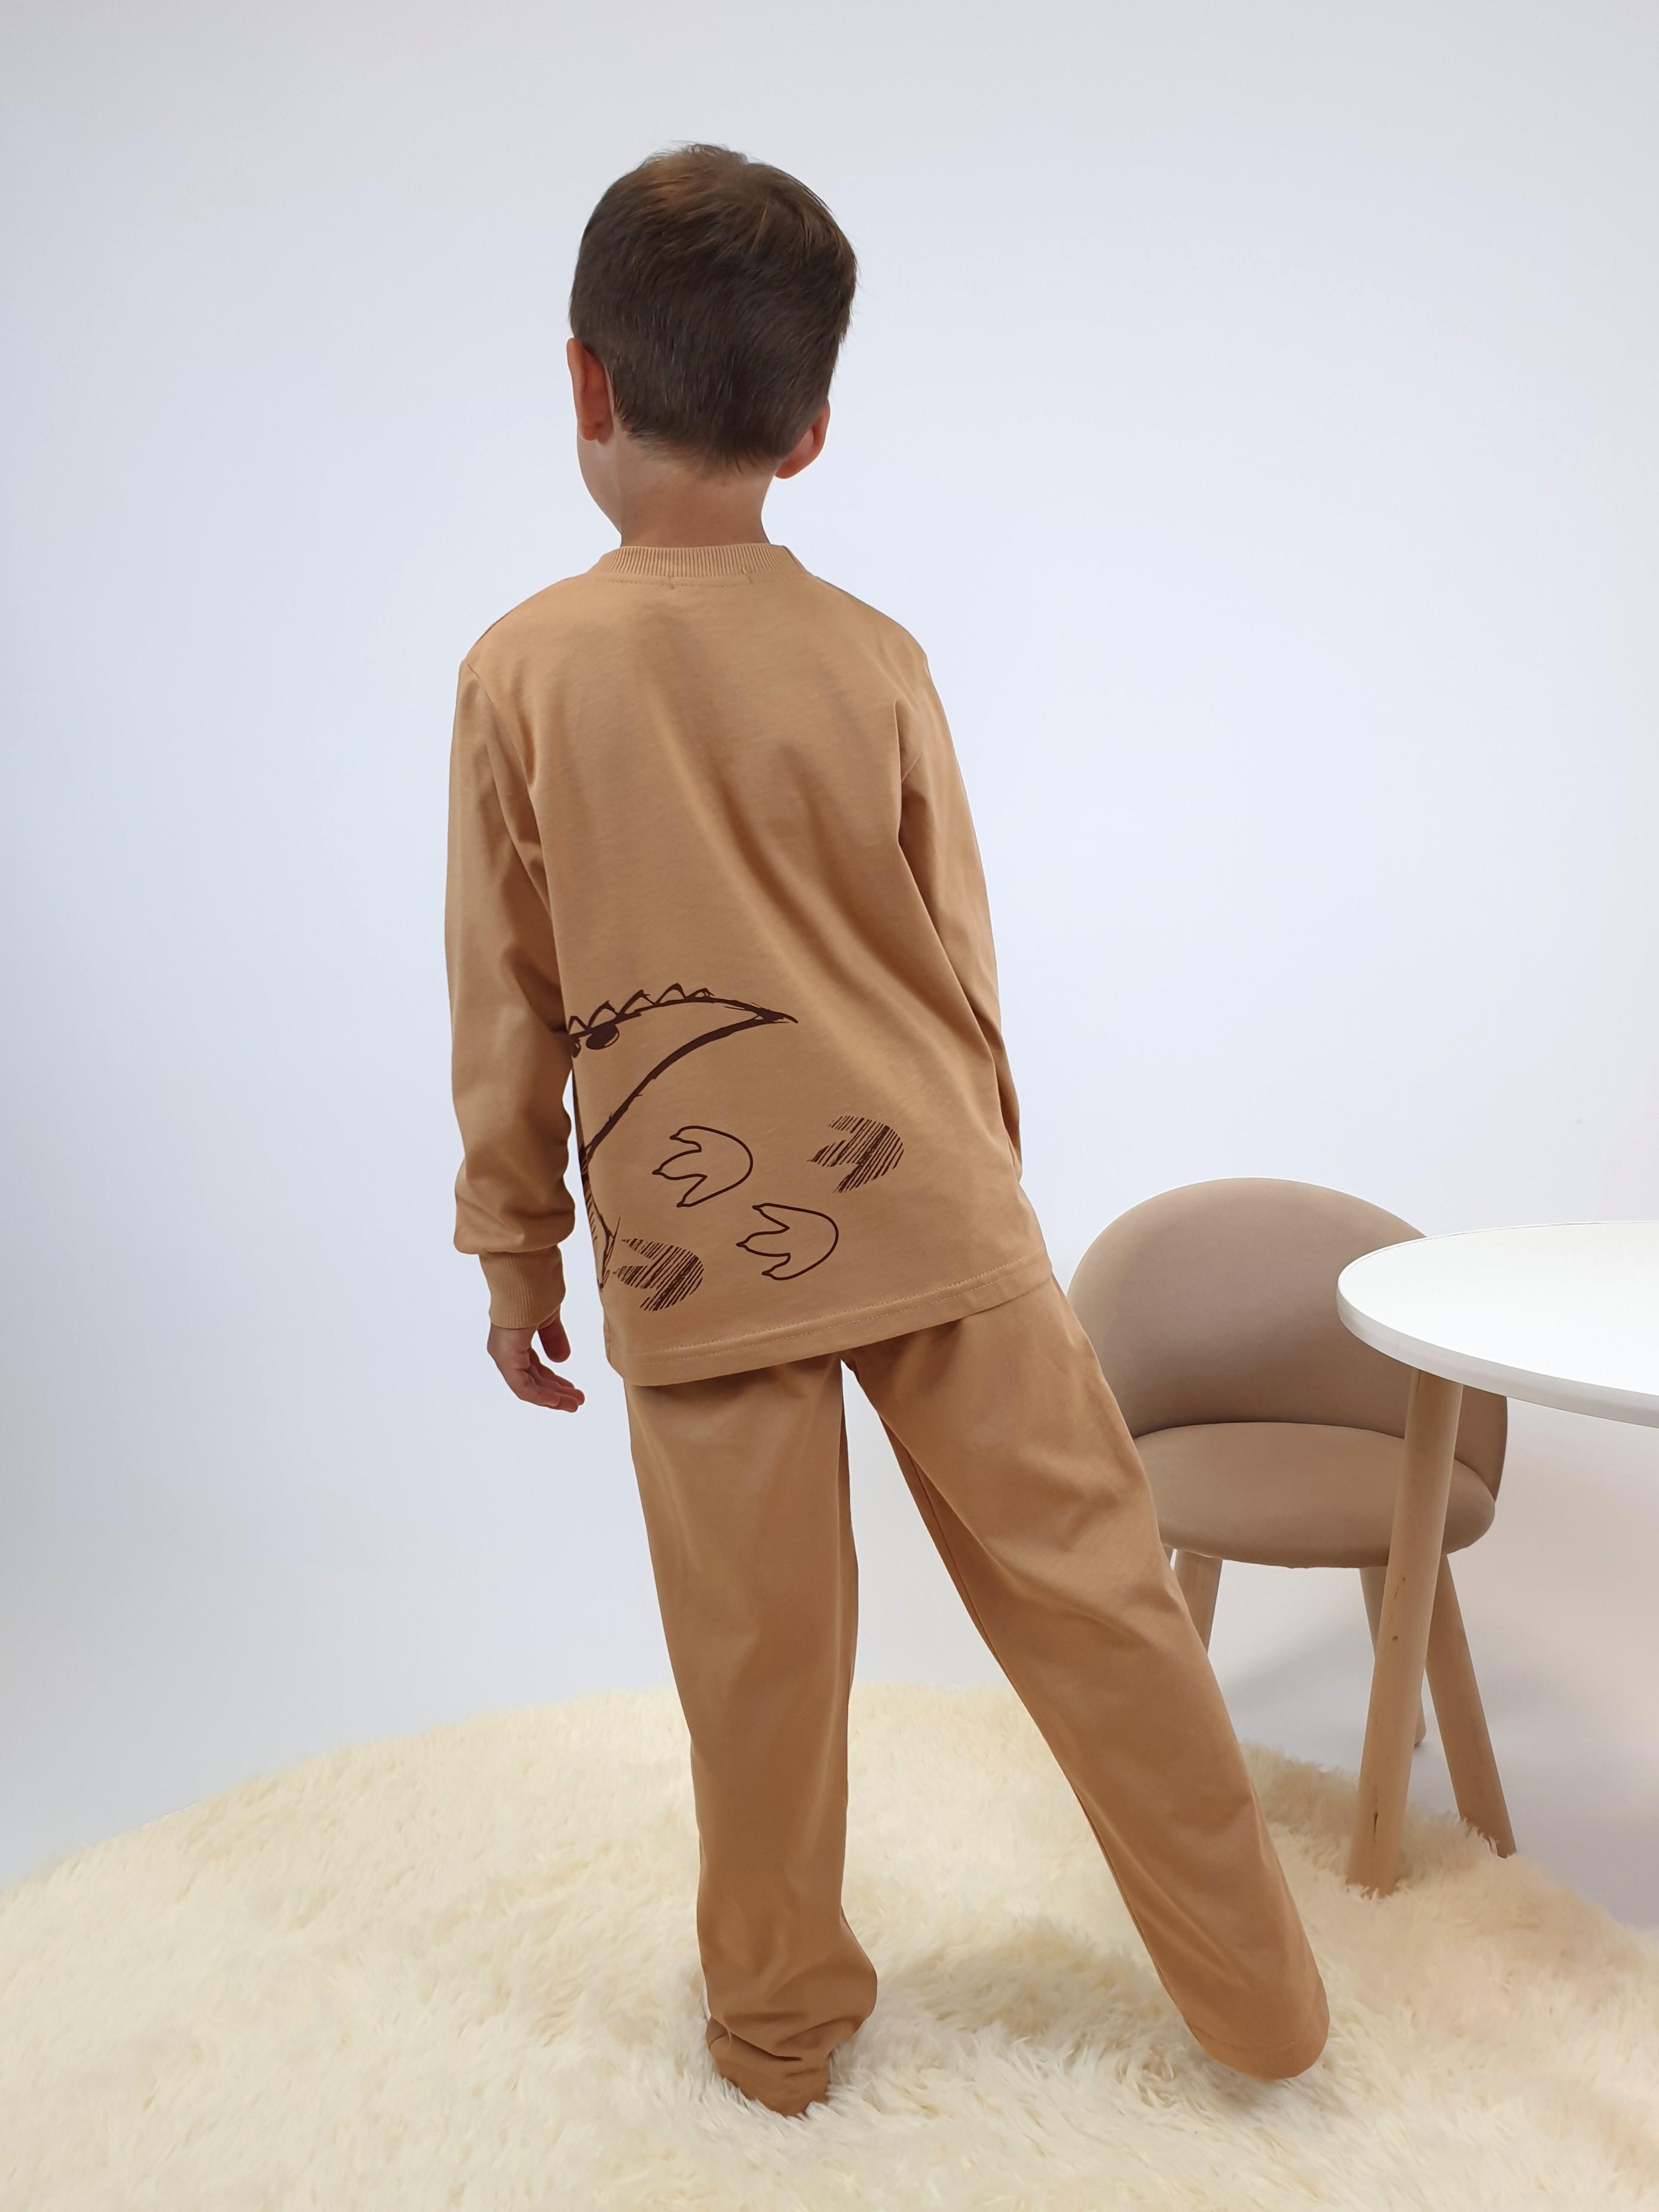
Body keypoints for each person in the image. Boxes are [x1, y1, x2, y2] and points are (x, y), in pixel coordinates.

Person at [444, 143, 1327, 2117]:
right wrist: (984, 1173)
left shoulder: (521, 672)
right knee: (1107, 1615)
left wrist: (514, 1244)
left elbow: (506, 990)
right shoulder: (876, 656)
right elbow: (961, 955)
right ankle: (1271, 2016)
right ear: (812, 428)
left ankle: (775, 2044)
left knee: (756, 1665)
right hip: (934, 1207)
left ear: (585, 380)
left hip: (691, 1242)